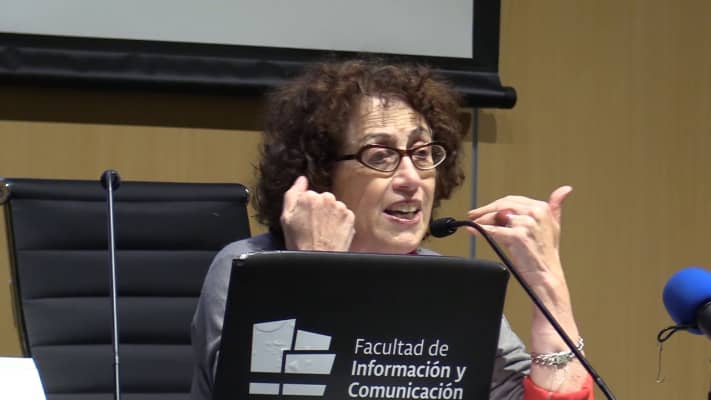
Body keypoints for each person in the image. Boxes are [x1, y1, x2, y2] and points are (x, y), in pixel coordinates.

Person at [190, 59, 594, 399]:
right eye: (380, 155)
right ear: (319, 172)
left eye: (422, 153)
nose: (411, 178)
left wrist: (548, 289)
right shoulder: (250, 269)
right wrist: (316, 271)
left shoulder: (450, 289)